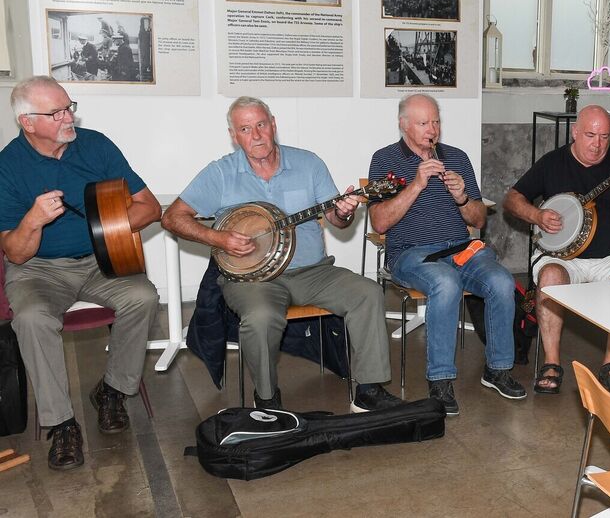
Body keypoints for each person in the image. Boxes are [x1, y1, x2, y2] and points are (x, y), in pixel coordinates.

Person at [161, 97, 402, 413]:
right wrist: (218, 237)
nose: (256, 134)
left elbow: (337, 222)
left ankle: (368, 389)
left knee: (368, 292)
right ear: (234, 135)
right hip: (252, 280)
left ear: (273, 125)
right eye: (245, 128)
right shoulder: (220, 173)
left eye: (261, 124)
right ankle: (266, 398)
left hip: (313, 272)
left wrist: (343, 212)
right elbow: (172, 217)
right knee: (261, 317)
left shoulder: (309, 164)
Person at [0, 76, 161, 470]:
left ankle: (112, 391)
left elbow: (150, 207)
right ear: (28, 122)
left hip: (100, 260)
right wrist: (34, 221)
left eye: (69, 106)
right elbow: (15, 253)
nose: (68, 116)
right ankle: (61, 424)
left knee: (144, 297)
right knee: (32, 318)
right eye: (56, 112)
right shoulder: (8, 165)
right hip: (38, 270)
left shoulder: (96, 144)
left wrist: (110, 225)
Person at [368, 94, 526, 416]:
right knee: (446, 283)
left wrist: (462, 196)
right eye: (423, 123)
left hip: (460, 250)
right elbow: (380, 221)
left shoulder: (456, 157)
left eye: (436, 121)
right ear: (403, 125)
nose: (432, 129)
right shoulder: (384, 160)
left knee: (501, 280)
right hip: (410, 254)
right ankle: (440, 379)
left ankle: (497, 368)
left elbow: (480, 219)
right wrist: (416, 184)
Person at [504, 105, 610, 396]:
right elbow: (511, 198)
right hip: (562, 256)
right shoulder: (553, 163)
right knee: (549, 277)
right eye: (590, 135)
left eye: (604, 137)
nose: (597, 144)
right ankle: (551, 362)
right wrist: (536, 216)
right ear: (574, 132)